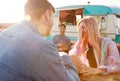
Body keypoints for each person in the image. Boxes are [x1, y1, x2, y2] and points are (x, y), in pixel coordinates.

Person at [0, 0, 80, 81]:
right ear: (47, 15)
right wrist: (67, 59)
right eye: (52, 16)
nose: (52, 22)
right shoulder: (42, 46)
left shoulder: (5, 33)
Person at [69, 16, 120, 81]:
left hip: (106, 78)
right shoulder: (83, 44)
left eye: (83, 28)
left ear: (92, 28)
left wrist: (98, 70)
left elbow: (117, 67)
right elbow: (72, 58)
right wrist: (79, 40)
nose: (81, 31)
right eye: (79, 28)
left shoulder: (109, 43)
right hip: (89, 78)